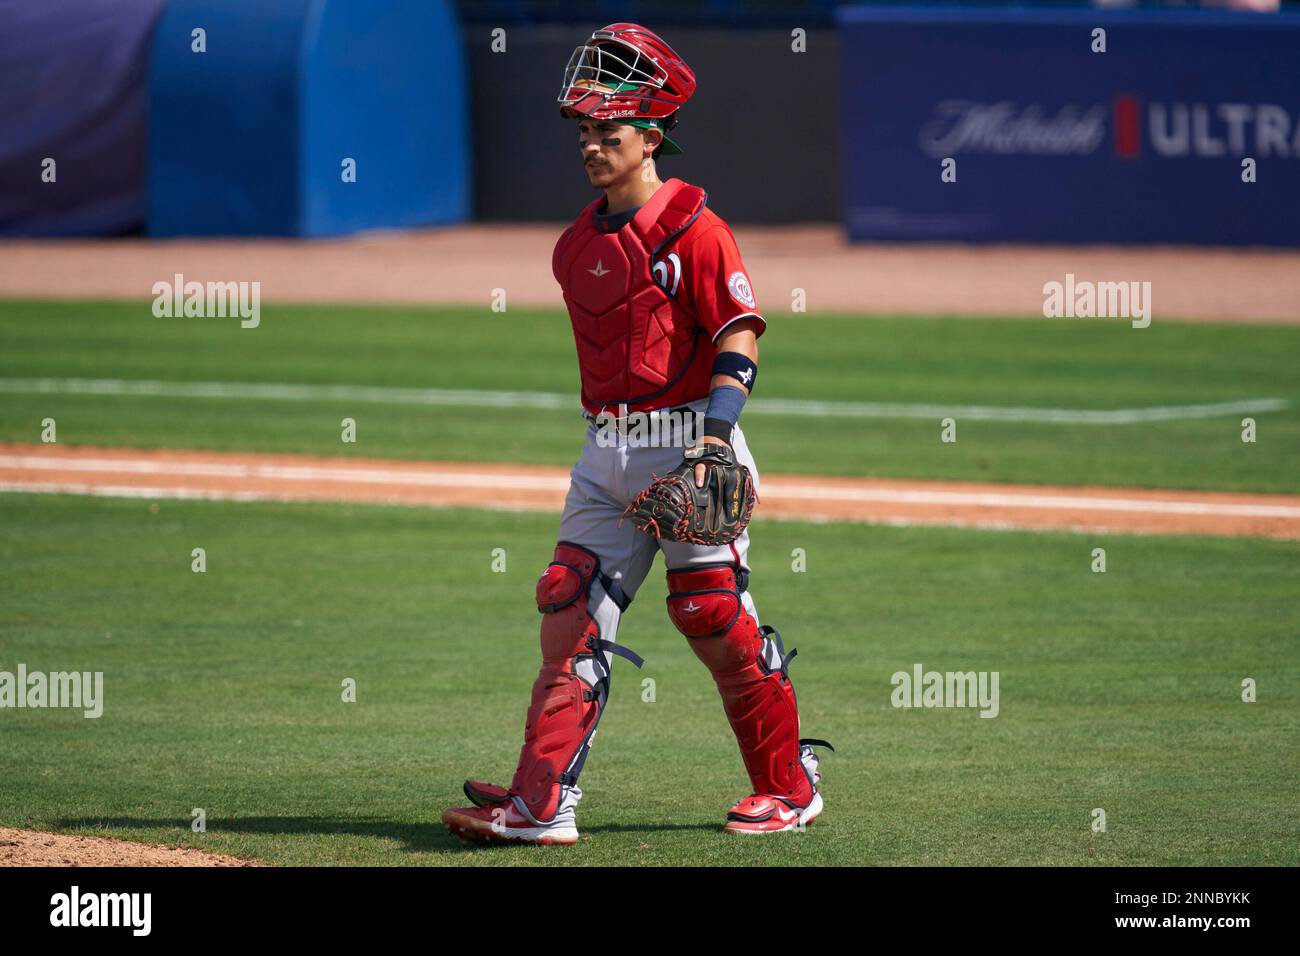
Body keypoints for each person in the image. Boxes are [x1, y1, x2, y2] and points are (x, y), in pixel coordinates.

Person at [442, 22, 830, 845]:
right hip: (603, 453)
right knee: (568, 610)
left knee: (712, 616)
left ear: (651, 139)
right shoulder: (574, 245)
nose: (590, 146)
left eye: (608, 133)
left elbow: (738, 334)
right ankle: (542, 804)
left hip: (690, 443)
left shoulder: (696, 230)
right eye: (584, 133)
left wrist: (717, 439)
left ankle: (789, 786)